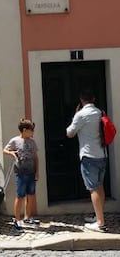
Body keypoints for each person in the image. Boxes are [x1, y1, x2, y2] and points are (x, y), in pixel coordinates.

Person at [66, 89, 108, 233]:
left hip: (89, 156)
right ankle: (99, 217)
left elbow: (70, 133)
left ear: (81, 100)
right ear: (94, 98)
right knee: (100, 186)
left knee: (93, 189)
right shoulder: (100, 112)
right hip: (102, 154)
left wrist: (75, 116)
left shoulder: (81, 114)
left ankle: (100, 223)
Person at [3, 119, 39, 233]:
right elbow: (5, 150)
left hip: (31, 171)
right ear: (24, 130)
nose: (32, 133)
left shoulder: (32, 142)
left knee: (31, 195)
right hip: (21, 172)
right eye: (31, 130)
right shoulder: (15, 141)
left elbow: (35, 157)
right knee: (20, 196)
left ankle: (27, 217)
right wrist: (11, 153)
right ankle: (17, 219)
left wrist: (37, 171)